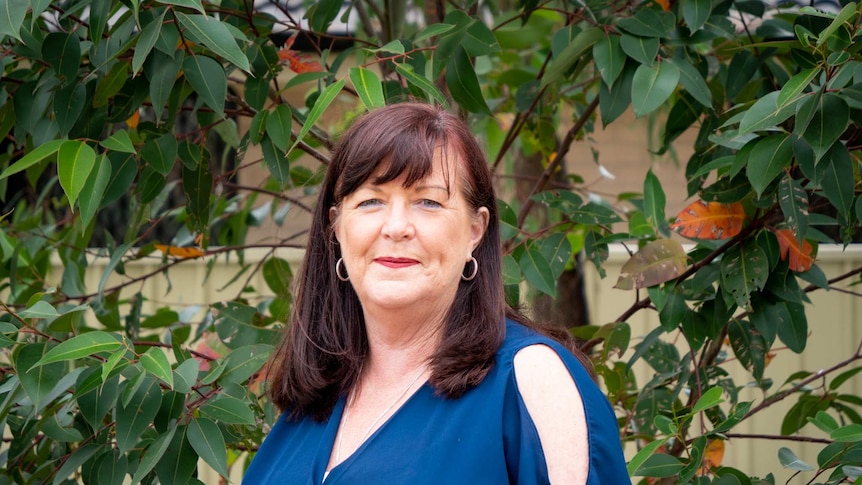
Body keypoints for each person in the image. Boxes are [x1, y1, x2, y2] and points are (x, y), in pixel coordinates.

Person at [243, 103, 629, 484]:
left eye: (427, 202)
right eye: (370, 201)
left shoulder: (529, 382)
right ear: (336, 228)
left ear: (475, 232)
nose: (396, 227)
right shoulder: (310, 403)